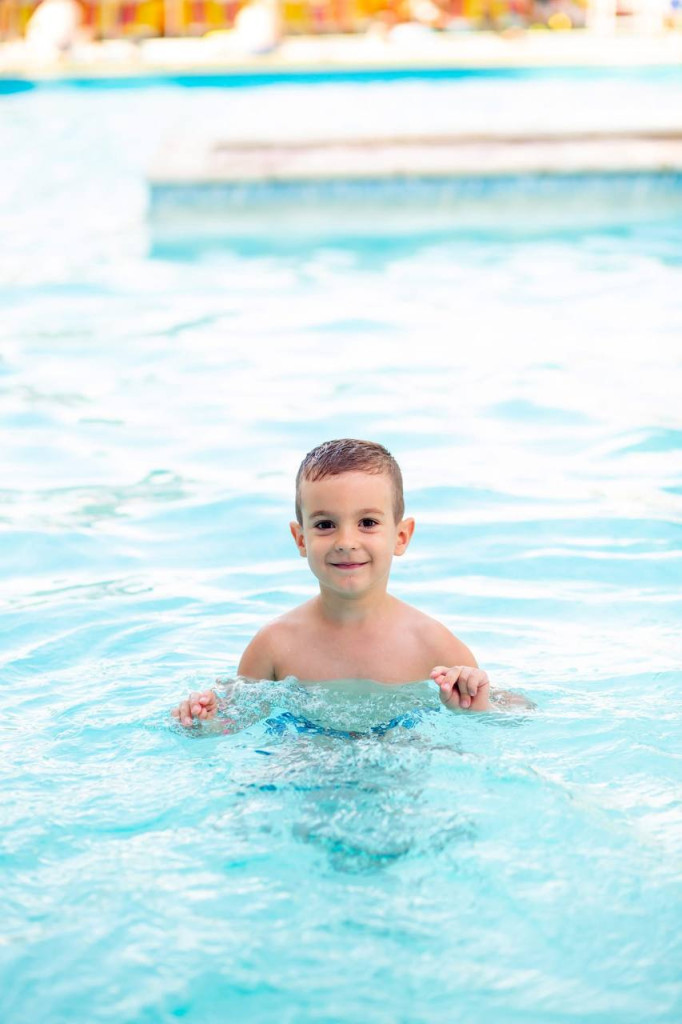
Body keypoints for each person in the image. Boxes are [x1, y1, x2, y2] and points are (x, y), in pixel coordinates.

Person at [173, 438, 493, 729]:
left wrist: (473, 705)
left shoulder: (434, 646)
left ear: (401, 536)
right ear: (301, 539)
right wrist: (203, 721)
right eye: (325, 525)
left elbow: (491, 718)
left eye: (367, 522)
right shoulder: (274, 645)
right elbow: (233, 724)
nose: (346, 541)